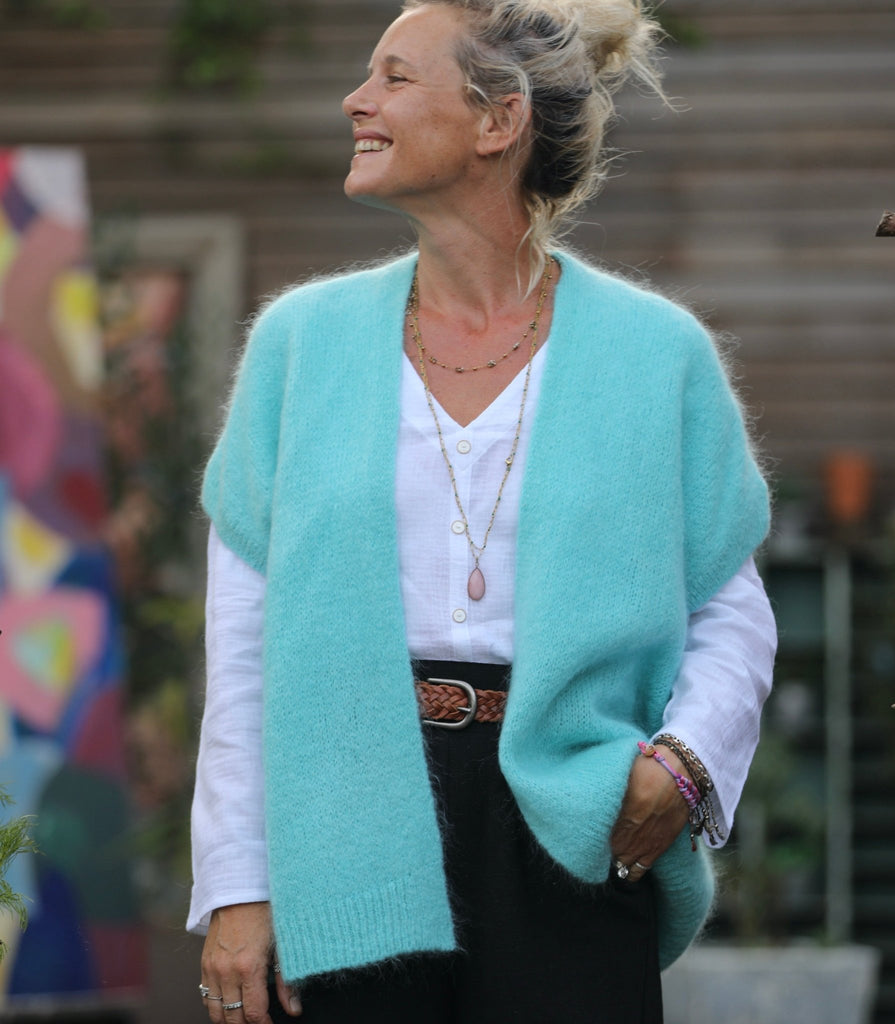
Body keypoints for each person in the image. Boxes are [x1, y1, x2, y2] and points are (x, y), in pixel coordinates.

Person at [189, 1, 776, 1021]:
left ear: (497, 121)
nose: (356, 101)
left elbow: (730, 611)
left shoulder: (656, 356)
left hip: (574, 825)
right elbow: (241, 642)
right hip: (343, 824)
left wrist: (683, 765)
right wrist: (238, 879)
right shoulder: (298, 346)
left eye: (394, 77)